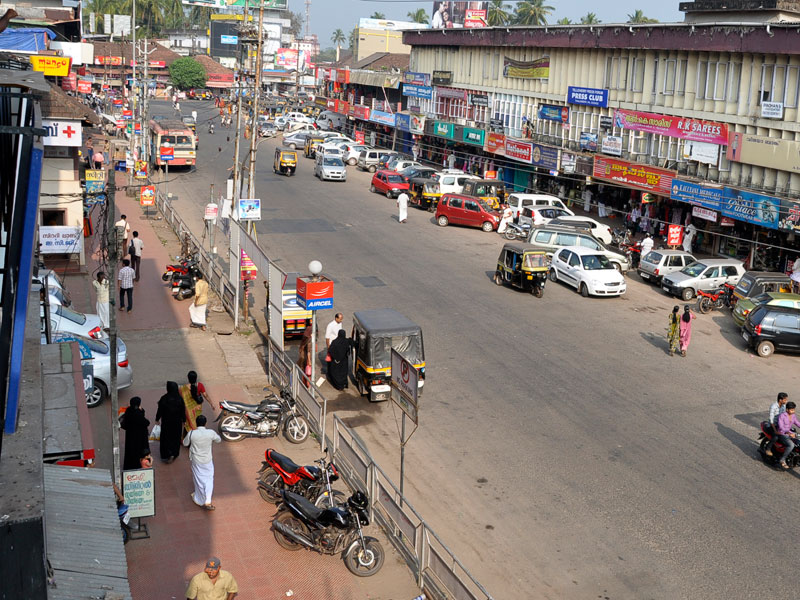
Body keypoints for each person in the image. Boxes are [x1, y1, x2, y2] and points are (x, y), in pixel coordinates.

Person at [183, 415, 222, 510]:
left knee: (198, 479)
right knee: (209, 479)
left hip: (196, 460)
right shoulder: (210, 433)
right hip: (208, 460)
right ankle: (208, 500)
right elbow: (219, 440)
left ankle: (200, 499)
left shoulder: (192, 433)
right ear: (205, 423)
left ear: (196, 423)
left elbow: (185, 443)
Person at [155, 381, 185, 463]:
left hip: (166, 423)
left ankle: (167, 454)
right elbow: (183, 410)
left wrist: (157, 419)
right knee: (175, 437)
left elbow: (160, 410)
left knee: (166, 438)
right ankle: (174, 453)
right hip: (177, 423)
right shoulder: (179, 399)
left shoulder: (164, 398)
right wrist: (184, 420)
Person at [120, 397, 150, 471]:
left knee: (130, 452)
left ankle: (129, 467)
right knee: (138, 452)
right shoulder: (138, 414)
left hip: (130, 436)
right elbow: (146, 422)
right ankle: (138, 467)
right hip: (139, 437)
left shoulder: (129, 410)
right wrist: (141, 410)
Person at [775, 401, 800, 469]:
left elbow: (797, 423)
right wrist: (789, 433)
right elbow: (781, 427)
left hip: (789, 432)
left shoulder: (793, 416)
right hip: (782, 433)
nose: (793, 411)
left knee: (798, 441)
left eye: (794, 409)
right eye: (792, 410)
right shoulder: (782, 416)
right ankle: (782, 459)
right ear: (787, 409)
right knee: (791, 445)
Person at [765, 392, 790, 458]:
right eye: (785, 399)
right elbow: (771, 420)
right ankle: (768, 448)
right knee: (776, 436)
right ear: (780, 400)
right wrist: (775, 430)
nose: (786, 401)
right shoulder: (773, 406)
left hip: (779, 424)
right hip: (772, 426)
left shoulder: (784, 406)